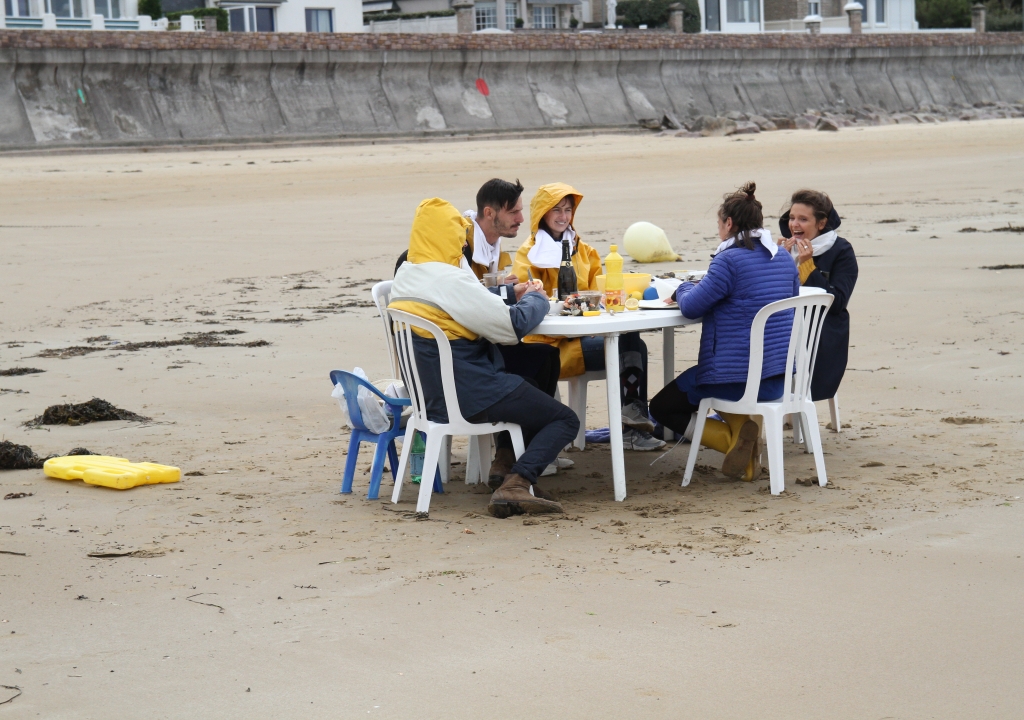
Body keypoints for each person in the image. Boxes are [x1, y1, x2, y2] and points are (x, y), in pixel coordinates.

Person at [389, 198, 579, 517]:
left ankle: (505, 465)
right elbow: (511, 327)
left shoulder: (408, 272)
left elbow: (467, 302)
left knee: (536, 368)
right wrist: (537, 299)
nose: (464, 240)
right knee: (565, 419)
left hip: (430, 395)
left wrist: (508, 296)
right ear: (449, 235)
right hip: (469, 394)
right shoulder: (449, 278)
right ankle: (517, 484)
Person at [649, 182, 799, 481]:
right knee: (710, 385)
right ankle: (745, 439)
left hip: (736, 380)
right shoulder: (783, 257)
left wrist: (683, 288)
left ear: (729, 223)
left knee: (663, 407)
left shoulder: (728, 260)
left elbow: (691, 307)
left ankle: (735, 446)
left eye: (719, 224)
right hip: (779, 377)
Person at [512, 182, 665, 452]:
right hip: (548, 346)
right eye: (556, 210)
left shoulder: (583, 250)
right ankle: (631, 424)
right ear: (541, 215)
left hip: (583, 336)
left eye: (568, 210)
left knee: (634, 343)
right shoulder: (528, 255)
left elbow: (599, 292)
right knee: (630, 346)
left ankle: (632, 421)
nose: (563, 216)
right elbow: (527, 300)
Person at [778, 189, 858, 402]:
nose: (794, 224)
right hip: (783, 327)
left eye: (803, 219)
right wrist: (777, 262)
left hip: (821, 332)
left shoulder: (841, 251)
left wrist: (807, 265)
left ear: (821, 223)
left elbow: (837, 302)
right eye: (792, 218)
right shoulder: (784, 248)